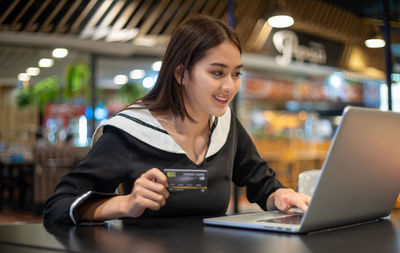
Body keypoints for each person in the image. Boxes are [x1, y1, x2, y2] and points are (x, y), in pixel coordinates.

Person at [43, 15, 310, 225]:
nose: (230, 86)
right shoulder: (129, 131)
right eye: (217, 73)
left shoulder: (227, 126)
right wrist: (125, 204)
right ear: (181, 73)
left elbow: (262, 184)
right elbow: (58, 206)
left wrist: (281, 195)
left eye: (236, 74)